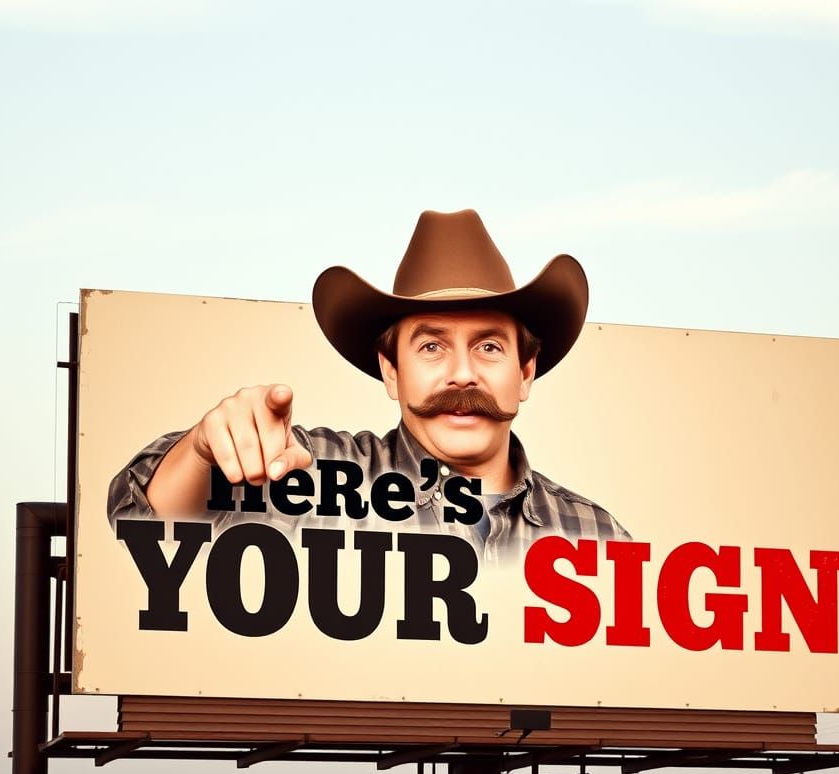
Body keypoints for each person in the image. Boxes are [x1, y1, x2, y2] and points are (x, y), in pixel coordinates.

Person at [108, 209, 628, 561]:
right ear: (391, 371)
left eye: (489, 347)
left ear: (526, 373)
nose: (463, 373)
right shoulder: (308, 481)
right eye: (431, 347)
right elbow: (143, 520)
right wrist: (203, 450)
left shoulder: (597, 536)